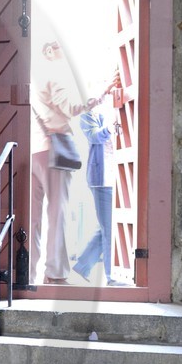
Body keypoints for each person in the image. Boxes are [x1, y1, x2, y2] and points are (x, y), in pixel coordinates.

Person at [29, 40, 94, 285]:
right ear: (48, 51)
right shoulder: (53, 74)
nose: (64, 54)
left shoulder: (32, 79)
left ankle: (27, 271)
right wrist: (92, 100)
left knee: (32, 217)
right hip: (54, 151)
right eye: (60, 49)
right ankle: (55, 273)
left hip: (33, 150)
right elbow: (70, 107)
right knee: (58, 213)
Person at [71, 100, 120, 284]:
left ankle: (83, 265)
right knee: (109, 229)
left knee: (107, 226)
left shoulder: (118, 112)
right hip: (102, 181)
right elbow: (94, 137)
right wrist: (110, 127)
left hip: (119, 179)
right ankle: (111, 276)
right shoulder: (88, 117)